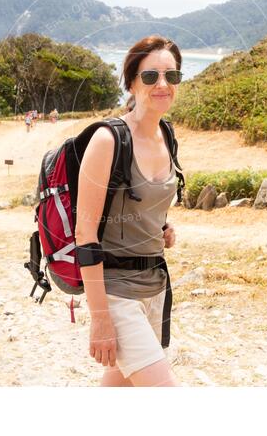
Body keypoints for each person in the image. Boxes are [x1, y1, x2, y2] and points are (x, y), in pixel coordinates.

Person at [75, 35, 184, 387]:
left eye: (172, 76)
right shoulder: (108, 141)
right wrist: (100, 317)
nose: (163, 84)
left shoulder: (166, 135)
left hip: (154, 289)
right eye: (151, 76)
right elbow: (85, 235)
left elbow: (142, 202)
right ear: (133, 82)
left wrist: (161, 227)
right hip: (116, 293)